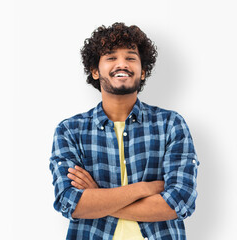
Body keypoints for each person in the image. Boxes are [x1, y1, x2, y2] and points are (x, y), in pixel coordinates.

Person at [49, 22, 199, 240]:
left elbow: (179, 202)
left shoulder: (171, 124)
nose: (122, 64)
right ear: (94, 71)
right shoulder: (70, 131)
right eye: (111, 57)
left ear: (143, 71)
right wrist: (145, 189)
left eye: (131, 58)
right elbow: (70, 202)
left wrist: (97, 198)